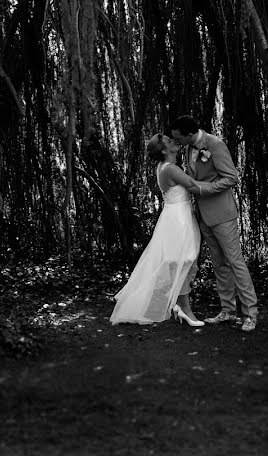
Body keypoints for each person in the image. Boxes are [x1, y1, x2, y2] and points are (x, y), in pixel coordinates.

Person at [170, 115, 259, 332]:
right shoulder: (189, 147)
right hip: (203, 215)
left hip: (222, 214)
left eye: (178, 138)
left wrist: (202, 188)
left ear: (190, 134)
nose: (176, 142)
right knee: (219, 264)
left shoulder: (214, 145)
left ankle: (250, 314)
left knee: (235, 262)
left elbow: (231, 177)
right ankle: (227, 311)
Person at [110, 132, 205, 326]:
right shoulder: (170, 169)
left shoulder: (163, 167)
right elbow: (194, 185)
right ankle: (185, 310)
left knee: (181, 262)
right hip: (179, 220)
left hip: (176, 216)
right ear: (163, 150)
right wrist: (223, 181)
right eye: (169, 141)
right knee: (182, 261)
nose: (174, 141)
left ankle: (180, 306)